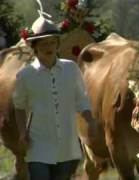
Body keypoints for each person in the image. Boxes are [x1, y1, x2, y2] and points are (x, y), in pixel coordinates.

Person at [12, 14, 97, 180]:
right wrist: (23, 132)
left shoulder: (71, 69)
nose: (49, 47)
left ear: (58, 44)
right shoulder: (25, 75)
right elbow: (19, 107)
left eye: (52, 42)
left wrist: (90, 121)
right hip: (38, 146)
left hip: (66, 145)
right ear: (34, 47)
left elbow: (81, 99)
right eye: (43, 43)